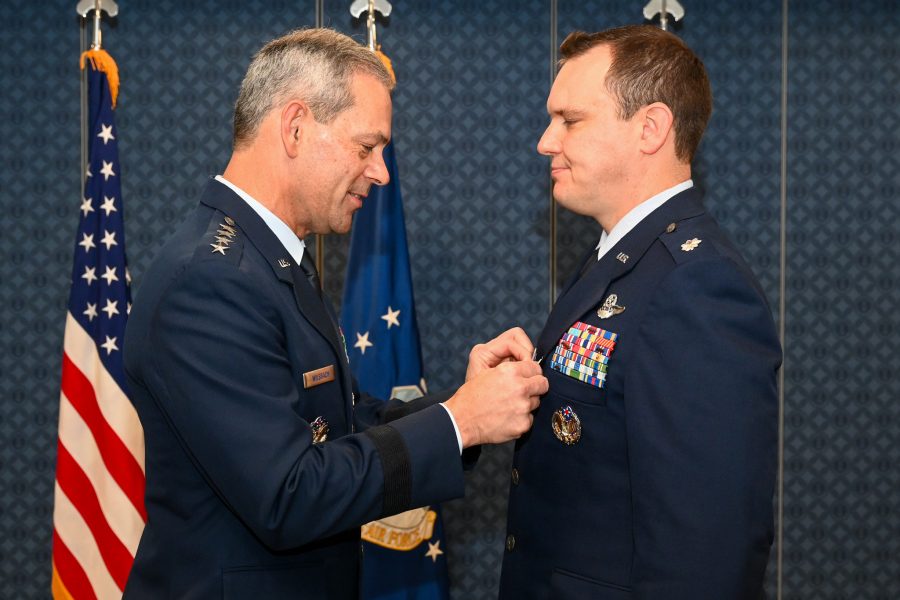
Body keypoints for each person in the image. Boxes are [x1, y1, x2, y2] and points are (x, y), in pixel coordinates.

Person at [122, 28, 547, 599]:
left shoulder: (268, 259)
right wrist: (460, 422)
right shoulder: (210, 280)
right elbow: (289, 495)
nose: (381, 172)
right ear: (295, 127)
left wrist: (463, 406)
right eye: (366, 147)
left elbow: (337, 422)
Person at [499, 25, 782, 599]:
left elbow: (707, 551)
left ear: (650, 128)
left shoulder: (697, 285)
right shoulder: (626, 255)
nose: (545, 142)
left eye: (569, 120)